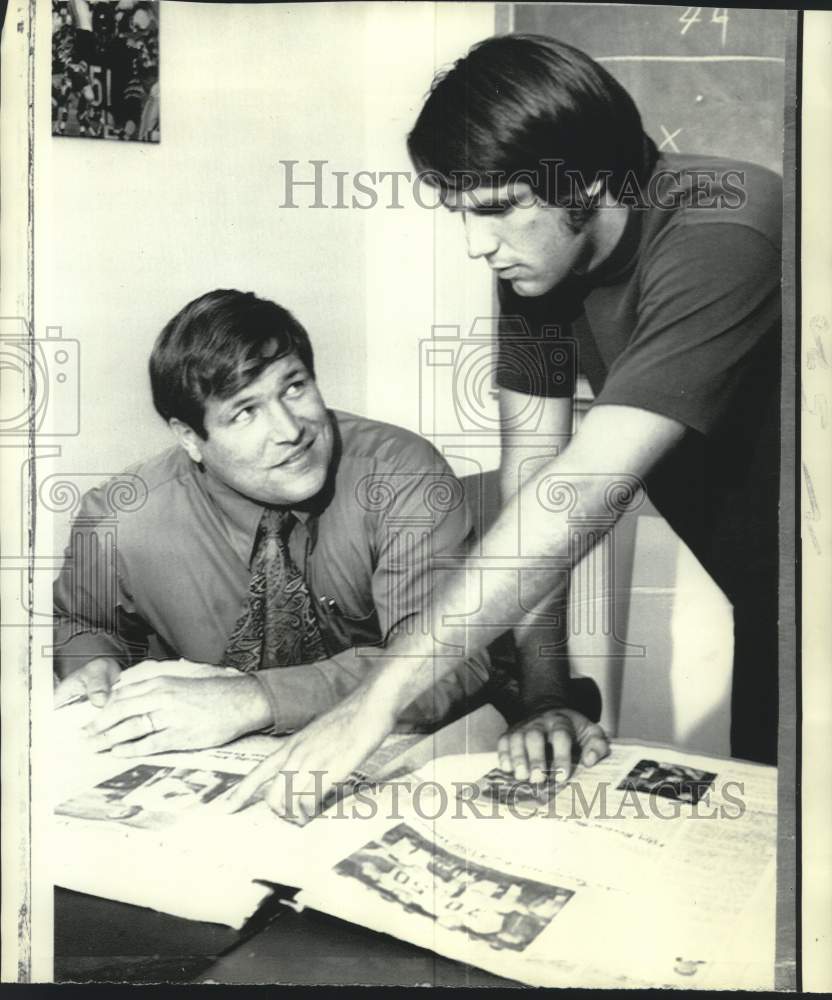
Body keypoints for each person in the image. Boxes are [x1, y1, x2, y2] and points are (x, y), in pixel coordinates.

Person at [228, 32, 781, 820]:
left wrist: (374, 703)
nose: (475, 243)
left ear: (588, 178)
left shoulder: (728, 228)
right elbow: (534, 475)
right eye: (460, 212)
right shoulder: (540, 263)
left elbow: (584, 490)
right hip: (779, 616)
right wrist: (549, 693)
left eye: (494, 210)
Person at [53, 289, 492, 754]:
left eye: (294, 387)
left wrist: (255, 699)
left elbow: (449, 660)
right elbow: (83, 619)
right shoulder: (122, 516)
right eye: (245, 412)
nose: (289, 431)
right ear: (190, 438)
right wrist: (93, 661)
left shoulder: (399, 473)